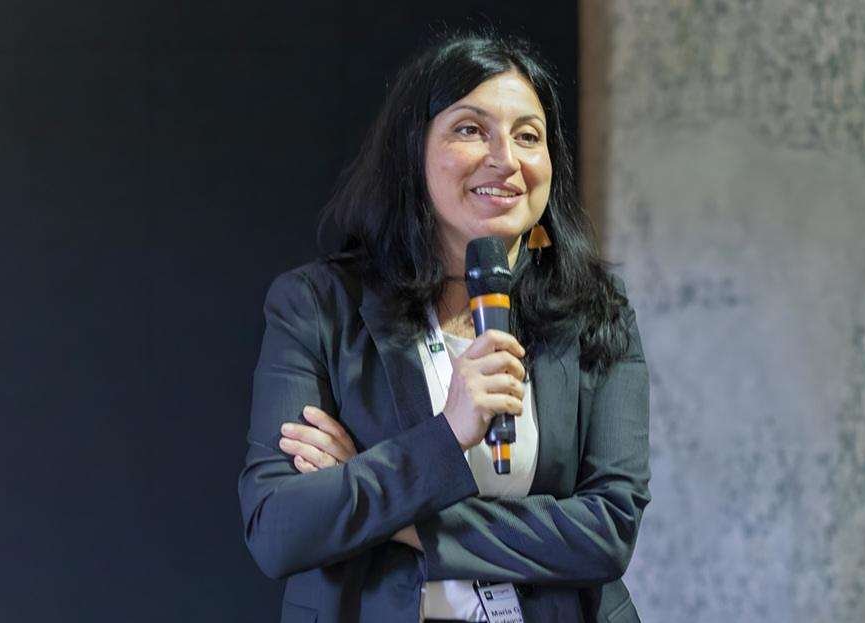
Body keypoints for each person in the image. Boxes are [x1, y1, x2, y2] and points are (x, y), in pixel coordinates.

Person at [238, 31, 651, 623]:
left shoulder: (594, 309)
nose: (505, 159)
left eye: (527, 136)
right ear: (413, 152)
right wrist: (447, 433)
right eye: (470, 129)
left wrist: (391, 512)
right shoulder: (319, 306)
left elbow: (607, 533)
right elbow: (279, 529)